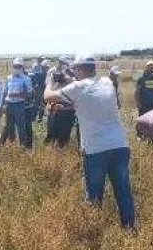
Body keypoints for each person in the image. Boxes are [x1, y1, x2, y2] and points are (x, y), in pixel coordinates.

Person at [44, 56, 135, 229]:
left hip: (96, 150)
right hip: (120, 146)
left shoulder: (77, 87)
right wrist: (65, 104)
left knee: (94, 195)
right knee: (123, 191)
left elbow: (48, 97)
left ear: (79, 70)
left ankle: (93, 232)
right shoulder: (106, 82)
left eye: (75, 70)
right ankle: (129, 229)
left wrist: (49, 81)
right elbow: (87, 101)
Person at [45, 55, 76, 148]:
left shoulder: (72, 73)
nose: (64, 65)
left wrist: (68, 77)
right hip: (54, 104)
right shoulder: (51, 72)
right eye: (63, 63)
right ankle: (52, 151)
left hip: (67, 107)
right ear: (59, 62)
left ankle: (62, 151)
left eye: (66, 64)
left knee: (64, 133)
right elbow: (48, 87)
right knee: (52, 132)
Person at [2, 57, 33, 149]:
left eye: (19, 66)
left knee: (21, 128)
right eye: (15, 66)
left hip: (19, 105)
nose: (17, 68)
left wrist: (18, 94)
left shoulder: (26, 79)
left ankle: (23, 147)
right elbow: (4, 92)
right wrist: (1, 105)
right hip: (9, 105)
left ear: (22, 67)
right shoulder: (8, 78)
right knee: (10, 127)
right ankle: (12, 146)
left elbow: (30, 94)